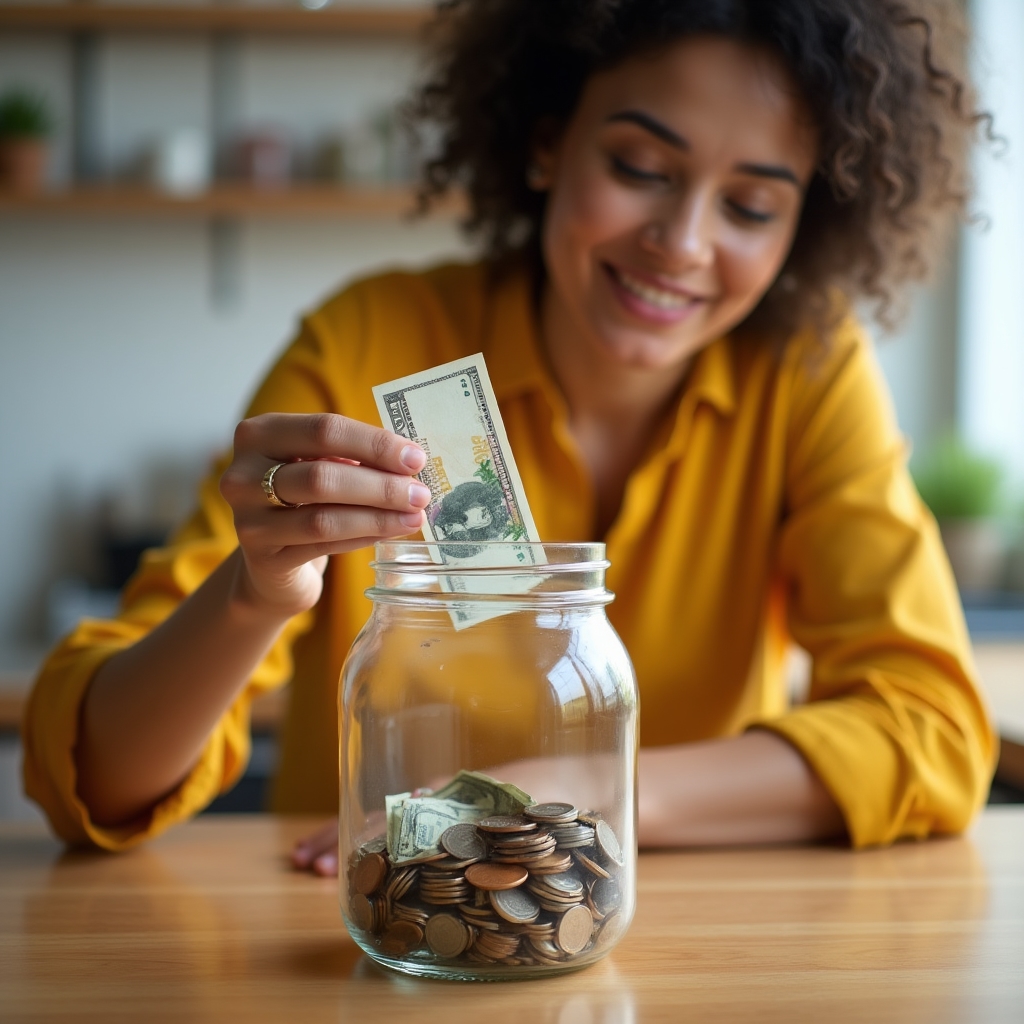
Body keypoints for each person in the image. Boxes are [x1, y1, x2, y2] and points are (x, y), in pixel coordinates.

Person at [24, 0, 996, 873]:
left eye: (749, 206)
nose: (683, 242)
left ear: (803, 226)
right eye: (640, 168)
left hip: (673, 947)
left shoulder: (806, 372)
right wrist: (252, 594)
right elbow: (93, 785)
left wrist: (578, 792)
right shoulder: (374, 341)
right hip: (373, 928)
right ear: (545, 145)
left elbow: (935, 729)